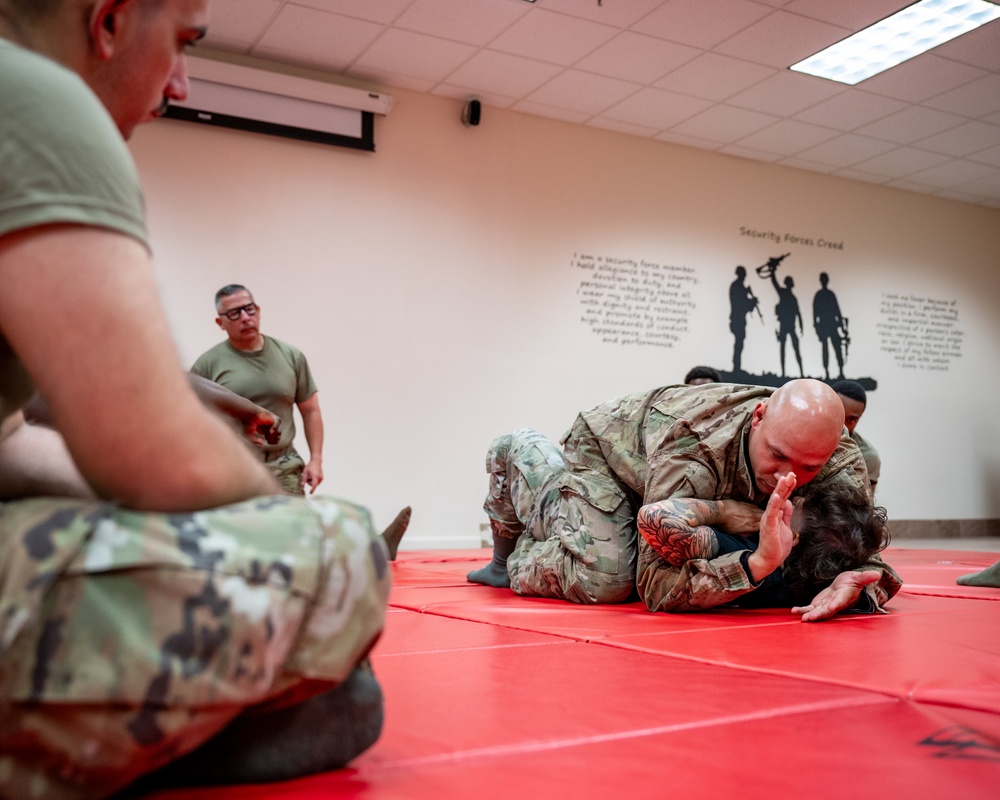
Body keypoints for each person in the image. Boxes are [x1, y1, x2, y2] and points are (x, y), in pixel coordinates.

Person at [0, 2, 390, 797]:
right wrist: (294, 533)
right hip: (214, 469)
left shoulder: (288, 354)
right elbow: (154, 450)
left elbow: (12, 438)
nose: (181, 83)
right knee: (348, 547)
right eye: (181, 44)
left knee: (346, 702)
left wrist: (303, 464)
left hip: (246, 464)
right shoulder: (33, 96)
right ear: (107, 21)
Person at [467, 380, 900, 619]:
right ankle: (522, 470)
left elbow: (859, 539)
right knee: (610, 579)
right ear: (758, 418)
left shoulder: (838, 457)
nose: (788, 475)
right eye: (777, 455)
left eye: (808, 467)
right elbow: (655, 587)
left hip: (674, 481)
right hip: (610, 458)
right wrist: (754, 565)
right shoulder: (694, 450)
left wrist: (862, 579)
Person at [638, 473, 891, 615]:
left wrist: (725, 511)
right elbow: (871, 581)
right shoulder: (815, 584)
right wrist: (857, 598)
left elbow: (654, 517)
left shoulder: (740, 548)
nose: (792, 498)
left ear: (795, 536)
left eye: (797, 504)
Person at [191, 284, 324, 496]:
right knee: (243, 528)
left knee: (293, 527)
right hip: (234, 468)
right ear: (220, 322)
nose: (245, 317)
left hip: (284, 465)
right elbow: (194, 421)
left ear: (258, 310)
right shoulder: (207, 365)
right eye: (234, 313)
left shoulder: (291, 355)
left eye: (249, 308)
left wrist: (315, 459)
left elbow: (311, 410)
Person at [831, 379, 881, 492]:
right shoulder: (801, 439)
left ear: (859, 417)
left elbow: (864, 506)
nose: (842, 424)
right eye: (839, 414)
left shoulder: (868, 457)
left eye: (851, 419)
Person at [769, 270, 805, 378]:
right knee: (783, 350)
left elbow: (798, 312)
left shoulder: (793, 298)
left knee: (795, 349)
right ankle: (784, 373)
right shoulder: (783, 293)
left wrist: (801, 326)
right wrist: (773, 272)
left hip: (791, 326)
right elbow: (775, 283)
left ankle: (801, 373)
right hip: (784, 326)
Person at [813, 272, 846, 380]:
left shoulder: (829, 295)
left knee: (836, 348)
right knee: (826, 349)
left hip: (831, 325)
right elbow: (815, 313)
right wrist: (817, 327)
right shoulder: (820, 295)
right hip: (824, 325)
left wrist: (841, 325)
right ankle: (827, 372)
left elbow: (837, 310)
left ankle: (840, 370)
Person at [728, 266, 759, 373]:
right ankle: (736, 367)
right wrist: (752, 301)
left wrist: (751, 300)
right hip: (737, 319)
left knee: (739, 343)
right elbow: (740, 304)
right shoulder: (737, 286)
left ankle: (737, 366)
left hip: (739, 319)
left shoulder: (739, 286)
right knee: (738, 343)